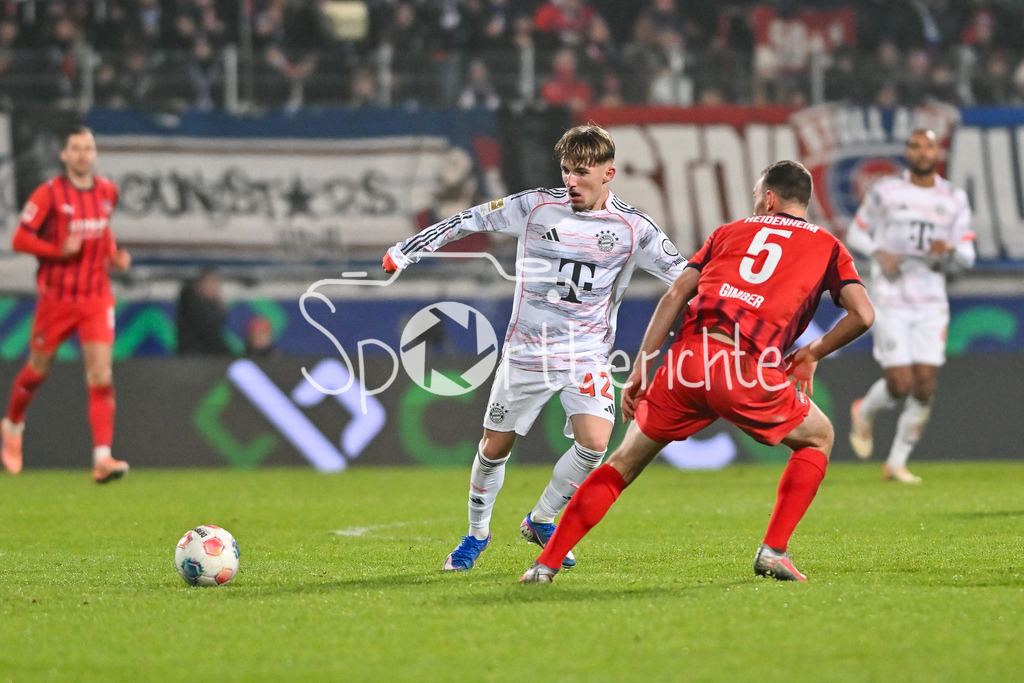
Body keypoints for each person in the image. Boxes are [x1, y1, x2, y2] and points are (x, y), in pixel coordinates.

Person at [521, 160, 874, 584]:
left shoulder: (728, 232)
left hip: (687, 359)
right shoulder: (829, 246)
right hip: (746, 367)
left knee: (622, 464)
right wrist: (812, 352)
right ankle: (773, 550)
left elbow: (674, 295)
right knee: (819, 437)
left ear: (769, 198)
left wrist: (641, 367)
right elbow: (863, 315)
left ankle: (545, 565)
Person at [383, 124, 687, 571]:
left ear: (609, 174)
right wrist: (407, 249)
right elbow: (469, 218)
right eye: (566, 170)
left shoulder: (633, 229)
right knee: (493, 448)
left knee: (595, 444)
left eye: (582, 172)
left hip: (586, 353)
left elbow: (683, 278)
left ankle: (541, 518)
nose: (571, 181)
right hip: (527, 351)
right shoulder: (534, 206)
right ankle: (476, 534)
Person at [1, 126, 132, 483]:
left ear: (94, 153)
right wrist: (56, 251)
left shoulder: (107, 191)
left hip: (95, 297)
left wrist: (114, 256)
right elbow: (20, 238)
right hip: (57, 298)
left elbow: (102, 230)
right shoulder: (49, 194)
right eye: (75, 148)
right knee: (37, 370)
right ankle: (12, 426)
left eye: (88, 148)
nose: (82, 155)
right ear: (64, 154)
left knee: (101, 375)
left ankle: (102, 458)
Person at [846, 129, 975, 484]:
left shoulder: (954, 198)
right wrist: (878, 252)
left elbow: (967, 256)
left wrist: (948, 252)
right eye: (915, 146)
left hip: (932, 300)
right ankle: (864, 410)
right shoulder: (886, 191)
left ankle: (896, 463)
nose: (921, 152)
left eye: (928, 146)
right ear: (907, 152)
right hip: (891, 298)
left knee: (925, 386)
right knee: (900, 383)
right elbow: (856, 233)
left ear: (938, 152)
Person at [176, 269, 232, 355]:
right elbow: (210, 332)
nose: (217, 288)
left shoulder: (198, 304)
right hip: (195, 358)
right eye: (213, 283)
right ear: (202, 285)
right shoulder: (193, 304)